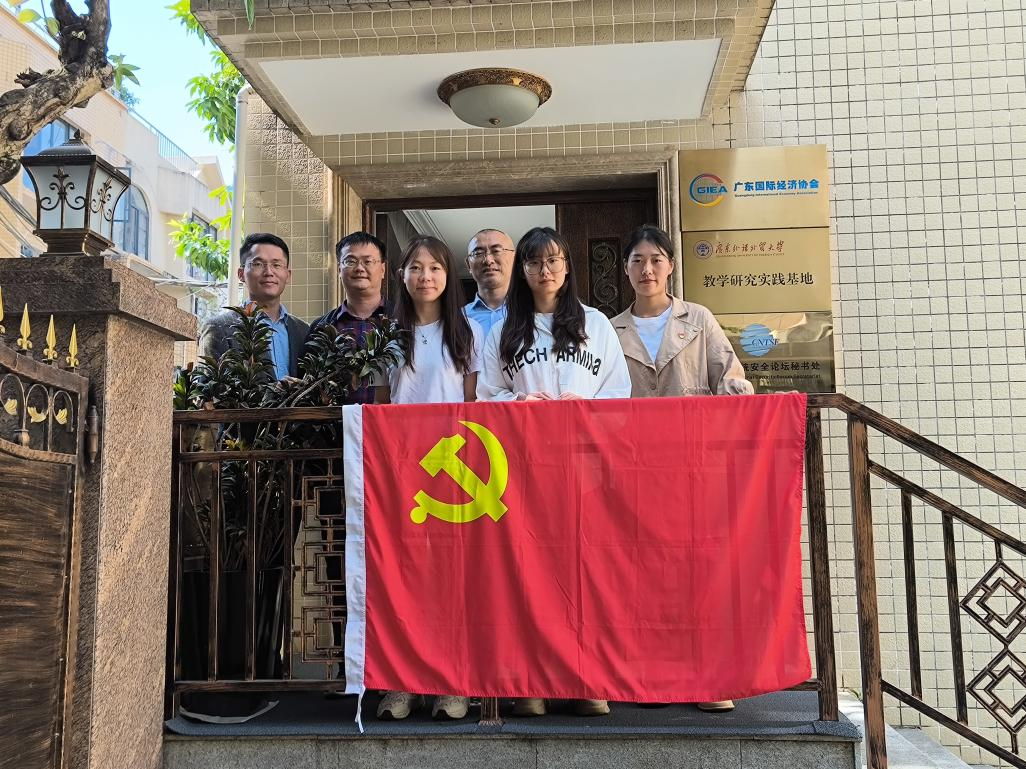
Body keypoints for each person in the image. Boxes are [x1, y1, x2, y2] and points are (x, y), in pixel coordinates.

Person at [477, 226, 630, 718]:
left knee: (585, 573)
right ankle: (532, 682)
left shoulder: (595, 325)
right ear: (522, 270)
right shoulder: (503, 330)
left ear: (567, 266)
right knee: (530, 573)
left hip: (585, 469)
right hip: (526, 470)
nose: (545, 271)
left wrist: (583, 407)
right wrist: (520, 401)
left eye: (554, 260)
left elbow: (619, 393)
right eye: (534, 262)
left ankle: (587, 680)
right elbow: (486, 397)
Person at [611, 224, 753, 714]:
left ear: (670, 265)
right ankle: (653, 676)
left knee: (699, 570)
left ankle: (709, 679)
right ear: (625, 269)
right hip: (633, 470)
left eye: (656, 259)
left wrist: (738, 390)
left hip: (693, 465)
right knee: (643, 572)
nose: (647, 269)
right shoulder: (610, 329)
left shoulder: (699, 318)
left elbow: (727, 373)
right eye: (637, 260)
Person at [374, 236, 484, 721]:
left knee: (451, 578)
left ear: (447, 275)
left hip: (452, 472)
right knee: (403, 578)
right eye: (416, 267)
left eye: (435, 268)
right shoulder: (387, 335)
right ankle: (403, 683)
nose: (425, 276)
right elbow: (381, 404)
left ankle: (451, 682)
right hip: (400, 471)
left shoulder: (467, 331)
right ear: (401, 276)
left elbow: (474, 405)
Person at [198, 233, 308, 379]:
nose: (269, 272)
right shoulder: (219, 328)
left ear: (288, 275)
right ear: (241, 274)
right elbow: (209, 389)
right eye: (258, 264)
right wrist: (274, 390)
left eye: (276, 265)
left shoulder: (304, 331)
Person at [305, 231, 390, 404]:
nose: (359, 268)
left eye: (368, 261)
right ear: (339, 269)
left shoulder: (403, 321)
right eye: (350, 261)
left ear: (382, 269)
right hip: (337, 421)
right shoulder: (322, 327)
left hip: (393, 420)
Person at [463, 228, 515, 336]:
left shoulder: (533, 313)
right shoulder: (457, 319)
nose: (488, 260)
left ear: (515, 258)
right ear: (468, 265)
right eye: (478, 253)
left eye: (496, 251)